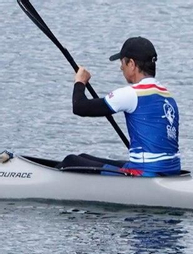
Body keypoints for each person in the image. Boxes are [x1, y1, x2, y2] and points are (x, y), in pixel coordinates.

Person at [64, 36, 180, 175]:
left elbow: (79, 107)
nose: (121, 67)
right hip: (171, 171)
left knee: (70, 162)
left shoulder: (132, 93)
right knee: (83, 158)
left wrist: (80, 82)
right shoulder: (168, 96)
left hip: (146, 174)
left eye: (122, 62)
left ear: (131, 64)